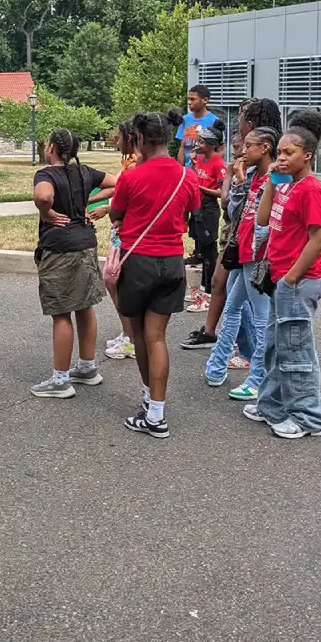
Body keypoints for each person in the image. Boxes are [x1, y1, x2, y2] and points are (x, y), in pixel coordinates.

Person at [110, 110, 200, 438]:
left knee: (138, 335)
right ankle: (156, 413)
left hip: (139, 261)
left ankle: (149, 399)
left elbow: (116, 215)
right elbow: (191, 209)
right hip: (173, 261)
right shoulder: (186, 176)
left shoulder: (132, 176)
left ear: (142, 140)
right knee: (157, 337)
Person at [243, 110, 321, 440]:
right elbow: (263, 220)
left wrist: (291, 279)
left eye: (288, 153)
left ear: (306, 155)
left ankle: (310, 418)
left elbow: (317, 239)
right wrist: (271, 183)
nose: (281, 158)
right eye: (278, 152)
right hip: (282, 280)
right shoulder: (288, 186)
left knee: (296, 354)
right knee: (275, 347)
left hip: (297, 282)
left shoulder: (310, 190)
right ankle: (272, 404)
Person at [182, 98, 283, 352]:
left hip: (250, 239)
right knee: (226, 287)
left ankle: (250, 352)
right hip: (240, 232)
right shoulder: (250, 154)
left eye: (241, 116)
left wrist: (231, 175)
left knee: (245, 296)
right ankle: (226, 342)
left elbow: (231, 202)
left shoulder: (263, 164)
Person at [30, 128, 117, 398]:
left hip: (60, 247)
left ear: (53, 148)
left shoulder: (46, 174)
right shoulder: (85, 171)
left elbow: (43, 196)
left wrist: (47, 211)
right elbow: (119, 183)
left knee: (61, 312)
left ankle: (60, 380)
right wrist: (86, 200)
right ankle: (88, 367)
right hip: (85, 243)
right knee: (85, 305)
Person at [202, 126, 278, 400]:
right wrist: (239, 181)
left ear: (266, 147)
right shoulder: (254, 176)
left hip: (257, 256)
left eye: (249, 145)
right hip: (242, 251)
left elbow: (269, 220)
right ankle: (217, 366)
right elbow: (234, 212)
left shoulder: (274, 178)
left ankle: (259, 378)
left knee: (260, 319)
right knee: (232, 308)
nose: (243, 151)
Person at [101, 120, 140, 360]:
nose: (117, 141)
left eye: (120, 137)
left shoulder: (135, 164)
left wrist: (107, 210)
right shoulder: (128, 162)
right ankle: (128, 333)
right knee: (113, 280)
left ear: (130, 137)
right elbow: (116, 187)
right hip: (120, 230)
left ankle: (131, 338)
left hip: (126, 231)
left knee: (116, 281)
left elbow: (125, 198)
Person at [177, 85, 223, 266]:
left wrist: (213, 165)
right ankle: (197, 251)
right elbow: (182, 147)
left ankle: (206, 255)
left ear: (205, 100)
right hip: (191, 170)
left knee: (204, 214)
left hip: (205, 174)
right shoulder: (185, 120)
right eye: (188, 99)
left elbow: (220, 148)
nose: (189, 103)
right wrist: (179, 169)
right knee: (193, 215)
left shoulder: (213, 121)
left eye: (193, 99)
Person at [185, 128, 226, 312]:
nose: (197, 145)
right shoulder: (200, 159)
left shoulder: (218, 163)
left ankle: (209, 294)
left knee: (210, 252)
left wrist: (202, 189)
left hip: (209, 208)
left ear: (211, 145)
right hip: (198, 208)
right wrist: (194, 166)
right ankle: (202, 290)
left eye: (201, 142)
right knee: (201, 249)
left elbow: (222, 192)